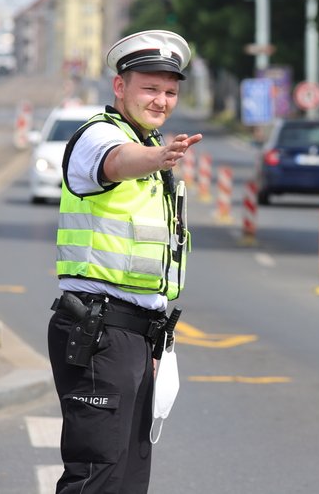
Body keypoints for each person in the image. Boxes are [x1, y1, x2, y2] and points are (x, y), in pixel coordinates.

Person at [47, 29, 203, 494]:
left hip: (137, 336)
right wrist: (157, 156)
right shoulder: (99, 135)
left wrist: (151, 347)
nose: (161, 100)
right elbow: (115, 162)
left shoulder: (151, 150)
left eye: (170, 91)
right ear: (120, 86)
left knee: (128, 481)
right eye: (150, 88)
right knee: (96, 477)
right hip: (98, 333)